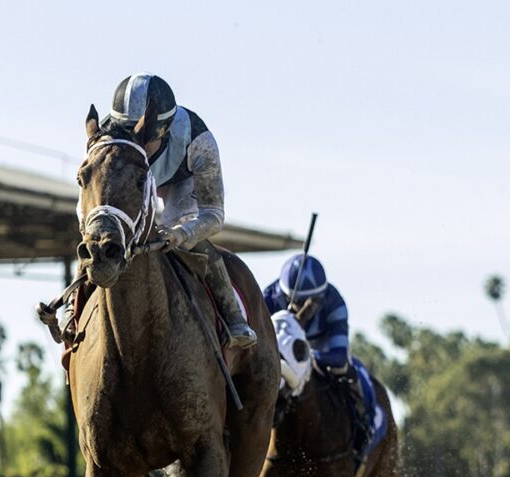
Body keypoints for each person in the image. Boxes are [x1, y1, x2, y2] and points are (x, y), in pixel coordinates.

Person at [107, 73, 256, 349]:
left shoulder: (199, 140)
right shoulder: (104, 139)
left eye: (142, 135)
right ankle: (70, 309)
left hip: (179, 183)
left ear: (164, 130)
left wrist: (182, 233)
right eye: (127, 133)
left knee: (180, 232)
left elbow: (213, 214)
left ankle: (233, 315)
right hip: (131, 180)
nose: (135, 142)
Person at [264, 255, 371, 443]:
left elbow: (338, 356)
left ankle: (362, 424)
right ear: (287, 296)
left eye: (314, 302)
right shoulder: (268, 300)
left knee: (346, 371)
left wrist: (305, 358)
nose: (309, 308)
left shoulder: (334, 301)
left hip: (320, 348)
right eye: (302, 303)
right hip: (280, 352)